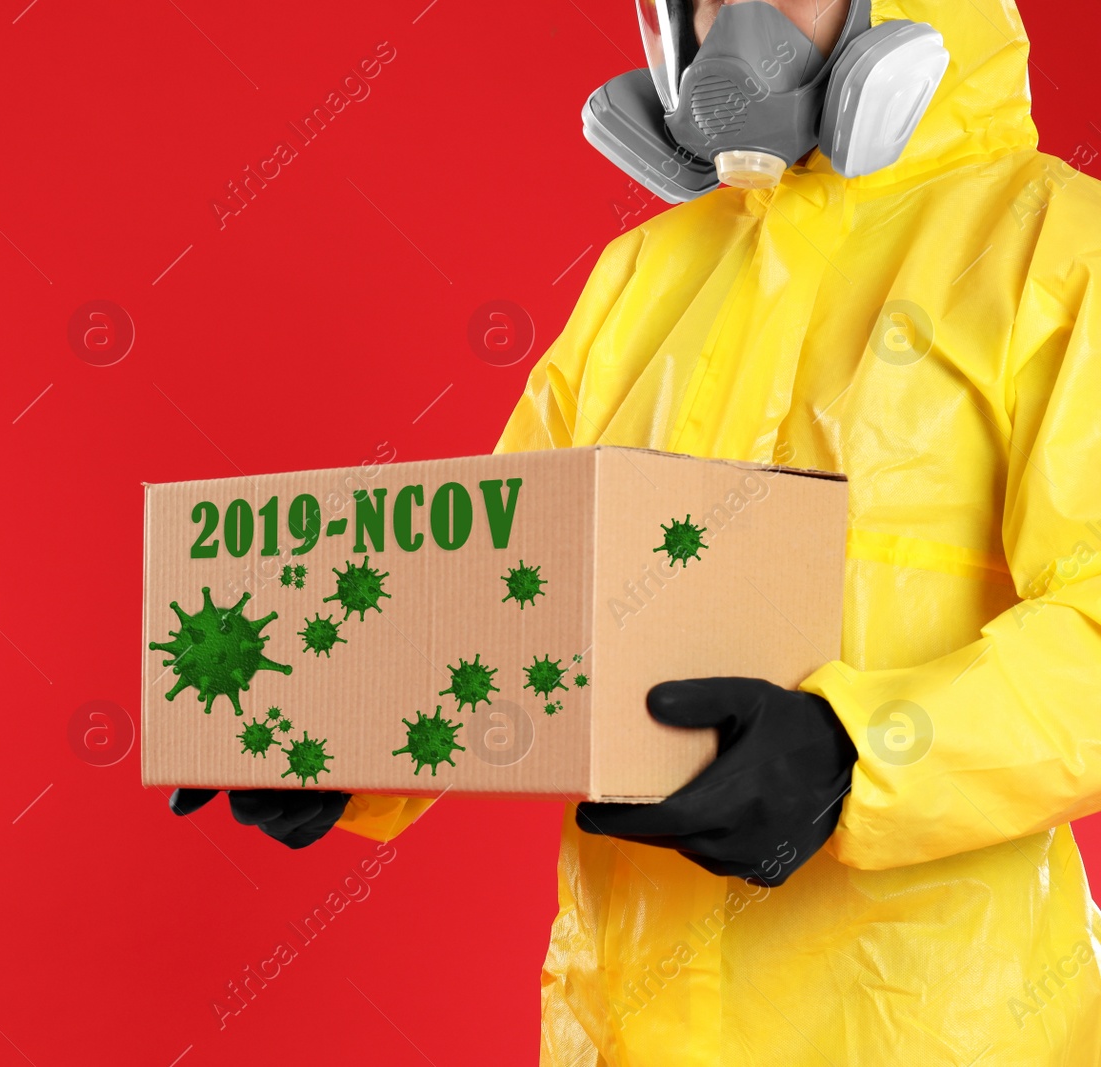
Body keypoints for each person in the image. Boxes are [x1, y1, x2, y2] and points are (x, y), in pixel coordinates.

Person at [173, 0, 1101, 1060]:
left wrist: (857, 751)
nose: (732, 19)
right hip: (625, 1022)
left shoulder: (1057, 256)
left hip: (934, 1024)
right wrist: (341, 726)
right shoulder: (639, 279)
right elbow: (503, 592)